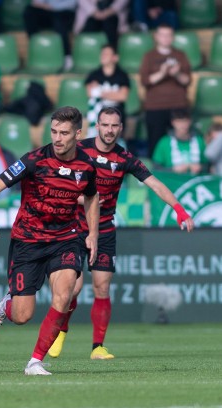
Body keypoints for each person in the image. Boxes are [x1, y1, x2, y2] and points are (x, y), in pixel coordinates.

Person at [0, 106, 100, 376]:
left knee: (65, 292)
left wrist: (92, 233)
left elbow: (92, 197)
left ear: (78, 134)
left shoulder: (86, 166)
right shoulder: (33, 160)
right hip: (29, 241)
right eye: (54, 132)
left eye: (64, 133)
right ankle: (8, 305)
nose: (57, 138)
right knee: (23, 316)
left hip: (65, 238)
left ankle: (35, 361)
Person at [47, 106, 194, 360]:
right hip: (74, 228)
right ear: (97, 126)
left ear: (121, 129)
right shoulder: (80, 149)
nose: (109, 130)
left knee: (102, 288)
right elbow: (58, 180)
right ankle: (61, 331)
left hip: (104, 229)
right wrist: (83, 199)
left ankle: (98, 348)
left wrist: (179, 209)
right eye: (105, 125)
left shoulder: (125, 158)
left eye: (114, 126)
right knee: (73, 289)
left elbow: (155, 183)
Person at [139, 24, 191, 158]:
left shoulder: (180, 55)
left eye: (169, 35)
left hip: (178, 105)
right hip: (155, 107)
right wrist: (162, 73)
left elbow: (187, 81)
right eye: (162, 35)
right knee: (155, 144)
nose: (166, 38)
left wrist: (177, 73)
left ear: (173, 37)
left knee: (183, 143)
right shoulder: (149, 56)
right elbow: (144, 81)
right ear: (156, 37)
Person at [84, 44, 130, 137]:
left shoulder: (122, 75)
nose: (103, 56)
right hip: (98, 116)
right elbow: (90, 93)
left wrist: (99, 91)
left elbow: (123, 96)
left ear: (115, 58)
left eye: (106, 54)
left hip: (117, 115)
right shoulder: (94, 75)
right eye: (102, 54)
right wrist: (114, 94)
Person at [23, 0, 77, 71]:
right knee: (29, 11)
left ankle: (67, 56)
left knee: (59, 20)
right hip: (50, 11)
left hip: (66, 13)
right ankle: (36, 47)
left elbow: (72, 4)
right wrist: (45, 6)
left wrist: (52, 7)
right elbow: (36, 3)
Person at [152, 109, 207, 175]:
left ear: (190, 122)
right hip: (172, 182)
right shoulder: (164, 142)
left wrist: (200, 168)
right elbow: (156, 168)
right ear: (173, 122)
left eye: (185, 121)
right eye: (179, 122)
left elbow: (208, 165)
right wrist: (172, 170)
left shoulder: (199, 140)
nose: (183, 125)